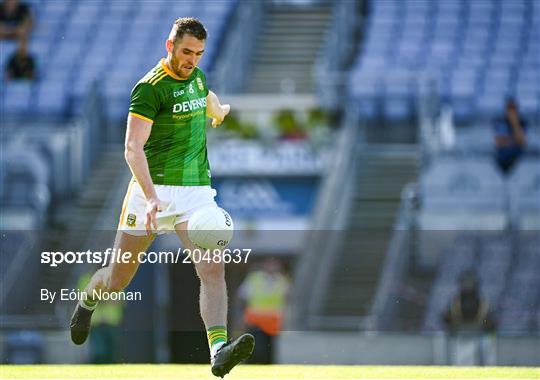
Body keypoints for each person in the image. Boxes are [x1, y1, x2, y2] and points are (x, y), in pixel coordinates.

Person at [70, 18, 254, 377]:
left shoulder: (198, 77)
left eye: (199, 54)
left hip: (196, 194)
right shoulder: (149, 88)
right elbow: (132, 147)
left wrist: (217, 110)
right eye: (186, 52)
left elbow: (203, 95)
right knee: (118, 280)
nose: (192, 60)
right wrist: (152, 198)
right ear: (170, 46)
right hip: (149, 193)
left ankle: (218, 351)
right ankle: (88, 301)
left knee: (213, 267)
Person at [235, 258, 289, 363]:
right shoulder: (254, 279)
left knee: (270, 349)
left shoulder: (282, 280)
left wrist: (286, 319)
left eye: (275, 265)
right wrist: (240, 316)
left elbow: (286, 301)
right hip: (256, 320)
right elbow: (241, 297)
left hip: (273, 322)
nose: (273, 267)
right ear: (265, 265)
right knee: (256, 347)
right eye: (270, 264)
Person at [493, 98, 527, 175]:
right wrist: (514, 140)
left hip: (516, 155)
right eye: (509, 109)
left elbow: (522, 141)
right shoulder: (500, 121)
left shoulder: (522, 122)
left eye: (513, 109)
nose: (511, 112)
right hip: (502, 156)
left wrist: (515, 123)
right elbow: (498, 142)